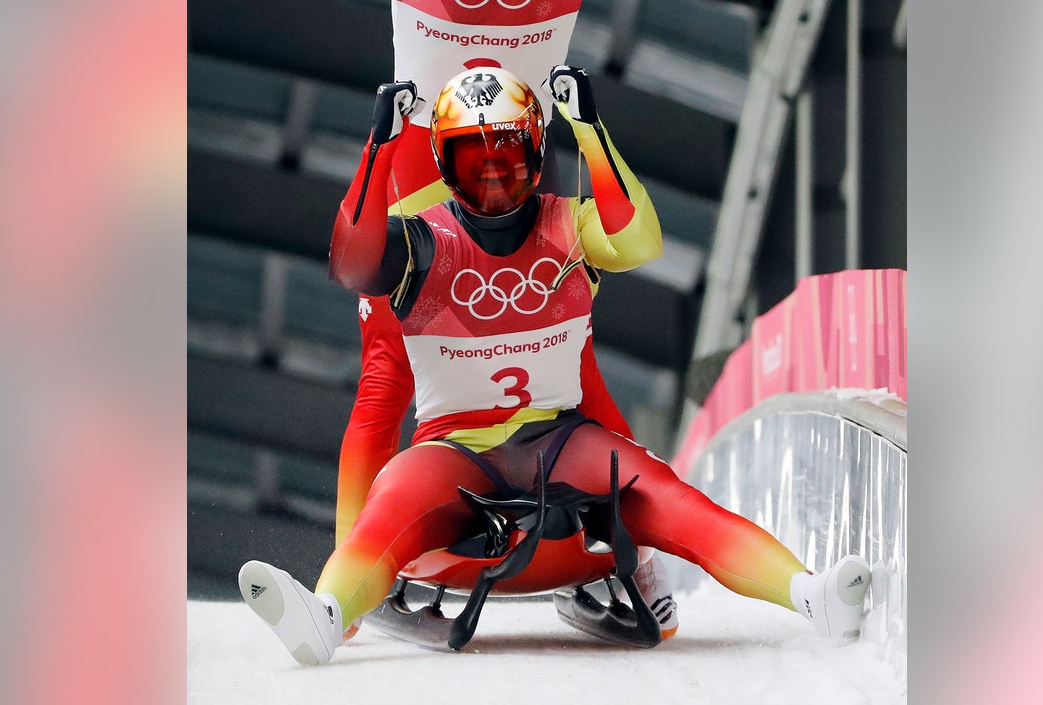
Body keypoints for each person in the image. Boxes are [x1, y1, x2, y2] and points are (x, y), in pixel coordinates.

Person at [316, 0, 792, 639]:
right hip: (419, 181)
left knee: (569, 366)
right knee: (387, 372)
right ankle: (346, 587)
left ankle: (634, 553)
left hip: (516, 169)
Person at [237, 67, 871, 665]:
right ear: (443, 166)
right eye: (472, 158)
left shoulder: (571, 224)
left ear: (536, 155)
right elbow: (351, 263)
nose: (493, 175)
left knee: (663, 492)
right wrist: (377, 148)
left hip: (558, 440)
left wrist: (593, 131)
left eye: (508, 156)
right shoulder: (418, 241)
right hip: (456, 449)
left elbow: (640, 240)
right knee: (395, 498)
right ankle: (325, 615)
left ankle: (812, 595)